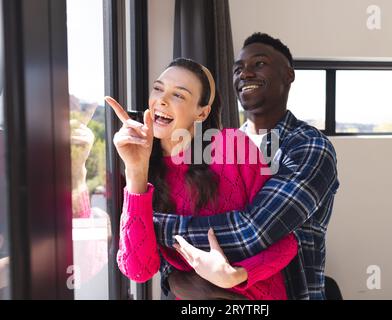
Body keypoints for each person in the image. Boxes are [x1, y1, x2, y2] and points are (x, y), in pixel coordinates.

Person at [155, 33, 340, 300]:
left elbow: (253, 231)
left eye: (259, 64)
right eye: (238, 69)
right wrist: (177, 277)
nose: (245, 74)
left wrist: (151, 228)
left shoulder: (309, 147)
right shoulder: (210, 146)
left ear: (289, 75)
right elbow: (173, 211)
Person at [106, 57, 299, 300]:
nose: (162, 100)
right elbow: (139, 270)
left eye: (179, 95)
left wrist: (235, 275)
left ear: (202, 112)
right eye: (158, 88)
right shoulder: (143, 169)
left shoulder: (234, 146)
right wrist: (135, 169)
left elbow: (286, 239)